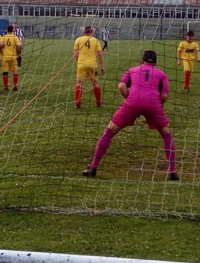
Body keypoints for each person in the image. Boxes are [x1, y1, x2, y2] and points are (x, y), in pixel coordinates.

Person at [82, 50, 178, 181]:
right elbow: (164, 96)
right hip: (153, 105)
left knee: (110, 131)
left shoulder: (132, 70)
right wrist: (152, 108)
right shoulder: (162, 75)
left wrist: (131, 100)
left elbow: (121, 86)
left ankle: (93, 167)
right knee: (166, 134)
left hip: (132, 103)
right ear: (156, 62)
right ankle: (172, 171)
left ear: (142, 61)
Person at [74, 26, 105, 108]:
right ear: (91, 32)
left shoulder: (78, 40)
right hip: (93, 65)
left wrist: (79, 61)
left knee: (79, 83)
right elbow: (100, 54)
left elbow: (76, 54)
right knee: (95, 83)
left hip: (81, 64)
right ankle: (98, 103)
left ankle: (78, 103)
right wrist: (102, 66)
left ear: (84, 32)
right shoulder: (95, 41)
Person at [0, 24, 22, 91]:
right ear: (12, 30)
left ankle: (6, 87)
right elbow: (19, 46)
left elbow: (1, 45)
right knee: (15, 71)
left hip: (5, 57)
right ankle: (15, 86)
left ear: (6, 30)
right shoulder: (15, 37)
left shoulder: (3, 37)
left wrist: (1, 52)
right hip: (13, 56)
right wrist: (18, 54)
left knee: (5, 72)